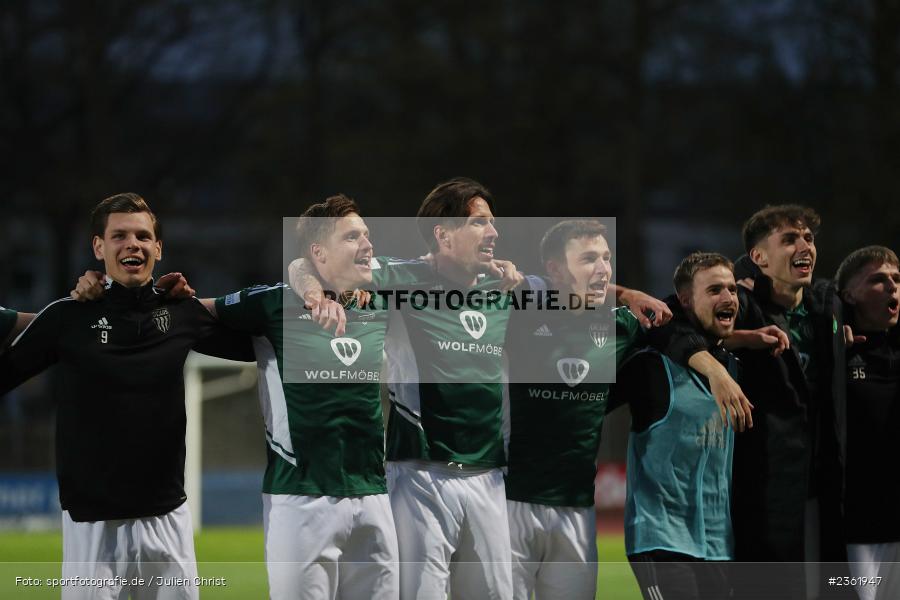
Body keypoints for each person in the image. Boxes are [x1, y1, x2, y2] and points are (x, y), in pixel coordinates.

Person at [0, 193, 250, 600]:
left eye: (142, 235)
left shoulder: (182, 313)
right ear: (98, 247)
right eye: (119, 236)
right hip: (92, 524)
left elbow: (259, 339)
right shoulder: (67, 317)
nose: (132, 243)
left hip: (168, 516)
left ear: (158, 248)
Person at [208, 195, 399, 600]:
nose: (367, 244)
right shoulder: (275, 303)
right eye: (352, 236)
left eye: (367, 234)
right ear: (319, 251)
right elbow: (195, 313)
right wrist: (312, 292)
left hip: (374, 494)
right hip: (300, 497)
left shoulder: (377, 299)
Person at [503, 220, 696, 600]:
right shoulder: (519, 312)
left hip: (577, 507)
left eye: (606, 258)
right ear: (555, 269)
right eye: (589, 258)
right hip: (509, 500)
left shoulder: (620, 325)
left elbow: (688, 327)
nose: (603, 268)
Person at [668, 205, 847, 599]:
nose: (804, 246)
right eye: (790, 239)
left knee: (842, 588)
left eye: (808, 238)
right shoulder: (741, 303)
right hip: (767, 501)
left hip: (830, 493)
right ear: (758, 257)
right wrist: (718, 369)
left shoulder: (827, 304)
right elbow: (672, 323)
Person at [612, 252, 740, 600]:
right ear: (685, 301)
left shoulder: (738, 369)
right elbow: (585, 407)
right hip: (662, 539)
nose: (728, 298)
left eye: (732, 289)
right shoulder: (651, 369)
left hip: (719, 544)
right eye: (714, 290)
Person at [835, 246, 900, 600]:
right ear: (848, 295)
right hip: (853, 530)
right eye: (877, 280)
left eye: (896, 279)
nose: (892, 287)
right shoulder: (830, 351)